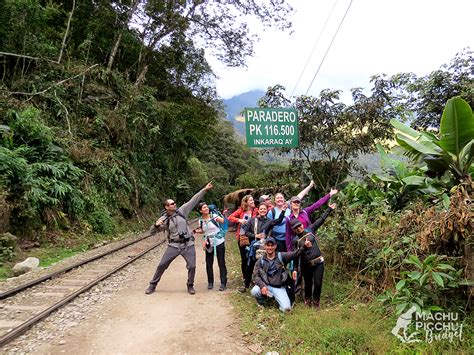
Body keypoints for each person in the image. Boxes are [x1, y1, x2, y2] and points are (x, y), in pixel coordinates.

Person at [145, 182, 214, 295]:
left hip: (188, 244)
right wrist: (156, 225)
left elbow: (193, 200)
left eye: (174, 203)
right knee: (162, 265)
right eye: (172, 203)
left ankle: (190, 285)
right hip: (173, 245)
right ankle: (152, 285)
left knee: (192, 266)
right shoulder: (164, 219)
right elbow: (151, 232)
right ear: (167, 207)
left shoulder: (182, 211)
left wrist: (205, 189)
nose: (174, 204)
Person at [290, 203, 335, 308]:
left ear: (302, 224)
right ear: (294, 230)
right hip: (306, 265)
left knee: (318, 283)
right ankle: (308, 300)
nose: (299, 228)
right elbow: (296, 255)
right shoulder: (295, 241)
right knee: (308, 284)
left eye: (299, 225)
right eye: (296, 228)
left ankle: (316, 301)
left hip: (318, 262)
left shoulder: (310, 230)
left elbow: (321, 220)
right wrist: (295, 269)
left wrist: (329, 209)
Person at [250, 236, 311, 312]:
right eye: (268, 246)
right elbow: (256, 276)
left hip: (279, 287)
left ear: (275, 246)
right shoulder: (260, 261)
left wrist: (304, 246)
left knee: (286, 309)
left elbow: (295, 254)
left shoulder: (281, 256)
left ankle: (276, 298)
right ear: (265, 246)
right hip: (266, 285)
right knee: (254, 291)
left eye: (272, 245)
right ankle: (264, 302)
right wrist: (262, 286)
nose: (270, 248)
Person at [238, 203, 287, 292]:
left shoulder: (269, 221)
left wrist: (283, 211)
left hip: (265, 247)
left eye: (264, 209)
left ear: (267, 210)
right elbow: (246, 231)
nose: (263, 210)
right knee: (250, 265)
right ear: (258, 210)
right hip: (254, 247)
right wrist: (255, 235)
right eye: (261, 209)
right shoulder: (252, 220)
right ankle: (246, 285)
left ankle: (263, 284)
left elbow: (279, 220)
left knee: (263, 266)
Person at [267, 181, 315, 252]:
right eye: (277, 198)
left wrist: (309, 186)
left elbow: (299, 196)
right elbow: (268, 225)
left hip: (291, 238)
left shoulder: (289, 207)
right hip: (278, 240)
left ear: (284, 199)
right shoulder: (272, 212)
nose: (280, 199)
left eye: (281, 197)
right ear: (275, 200)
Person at [194, 202, 227, 291]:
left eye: (206, 207)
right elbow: (203, 230)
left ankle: (223, 283)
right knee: (209, 263)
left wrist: (222, 216)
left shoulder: (214, 216)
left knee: (221, 263)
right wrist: (196, 231)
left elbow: (224, 221)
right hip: (208, 242)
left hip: (219, 241)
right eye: (204, 208)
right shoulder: (200, 221)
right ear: (200, 211)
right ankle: (210, 282)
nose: (206, 208)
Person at [228, 195, 258, 285]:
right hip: (242, 236)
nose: (253, 201)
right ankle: (245, 277)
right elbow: (230, 217)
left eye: (253, 199)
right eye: (251, 200)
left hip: (252, 236)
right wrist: (239, 220)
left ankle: (251, 276)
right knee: (244, 258)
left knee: (252, 257)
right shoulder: (241, 210)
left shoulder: (255, 210)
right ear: (246, 202)